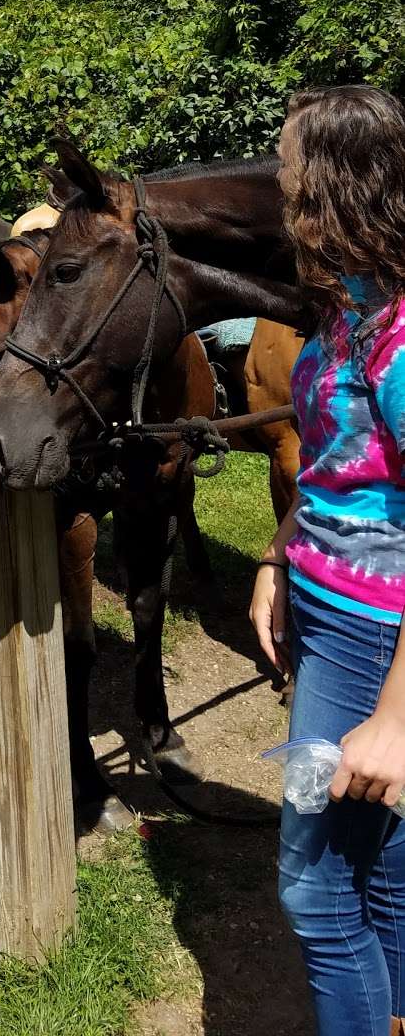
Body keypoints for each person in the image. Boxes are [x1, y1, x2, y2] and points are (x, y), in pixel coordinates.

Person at [250, 85, 405, 1036]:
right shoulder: (352, 309)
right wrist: (278, 553)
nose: (277, 181)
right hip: (327, 608)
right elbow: (341, 464)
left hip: (371, 642)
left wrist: (395, 715)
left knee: (312, 888)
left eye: (288, 164)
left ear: (336, 182)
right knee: (380, 864)